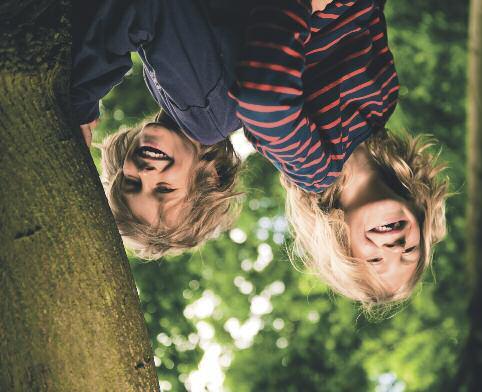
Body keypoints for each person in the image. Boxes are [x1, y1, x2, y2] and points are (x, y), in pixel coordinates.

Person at [229, 0, 449, 307]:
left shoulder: (316, 168)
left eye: (375, 259)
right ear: (420, 217)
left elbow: (264, 101)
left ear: (341, 247)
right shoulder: (383, 104)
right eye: (409, 250)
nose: (393, 246)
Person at [71, 0, 243, 258]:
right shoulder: (204, 113)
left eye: (132, 182)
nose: (145, 173)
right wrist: (81, 99)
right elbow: (148, 8)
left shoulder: (189, 111)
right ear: (209, 178)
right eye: (164, 189)